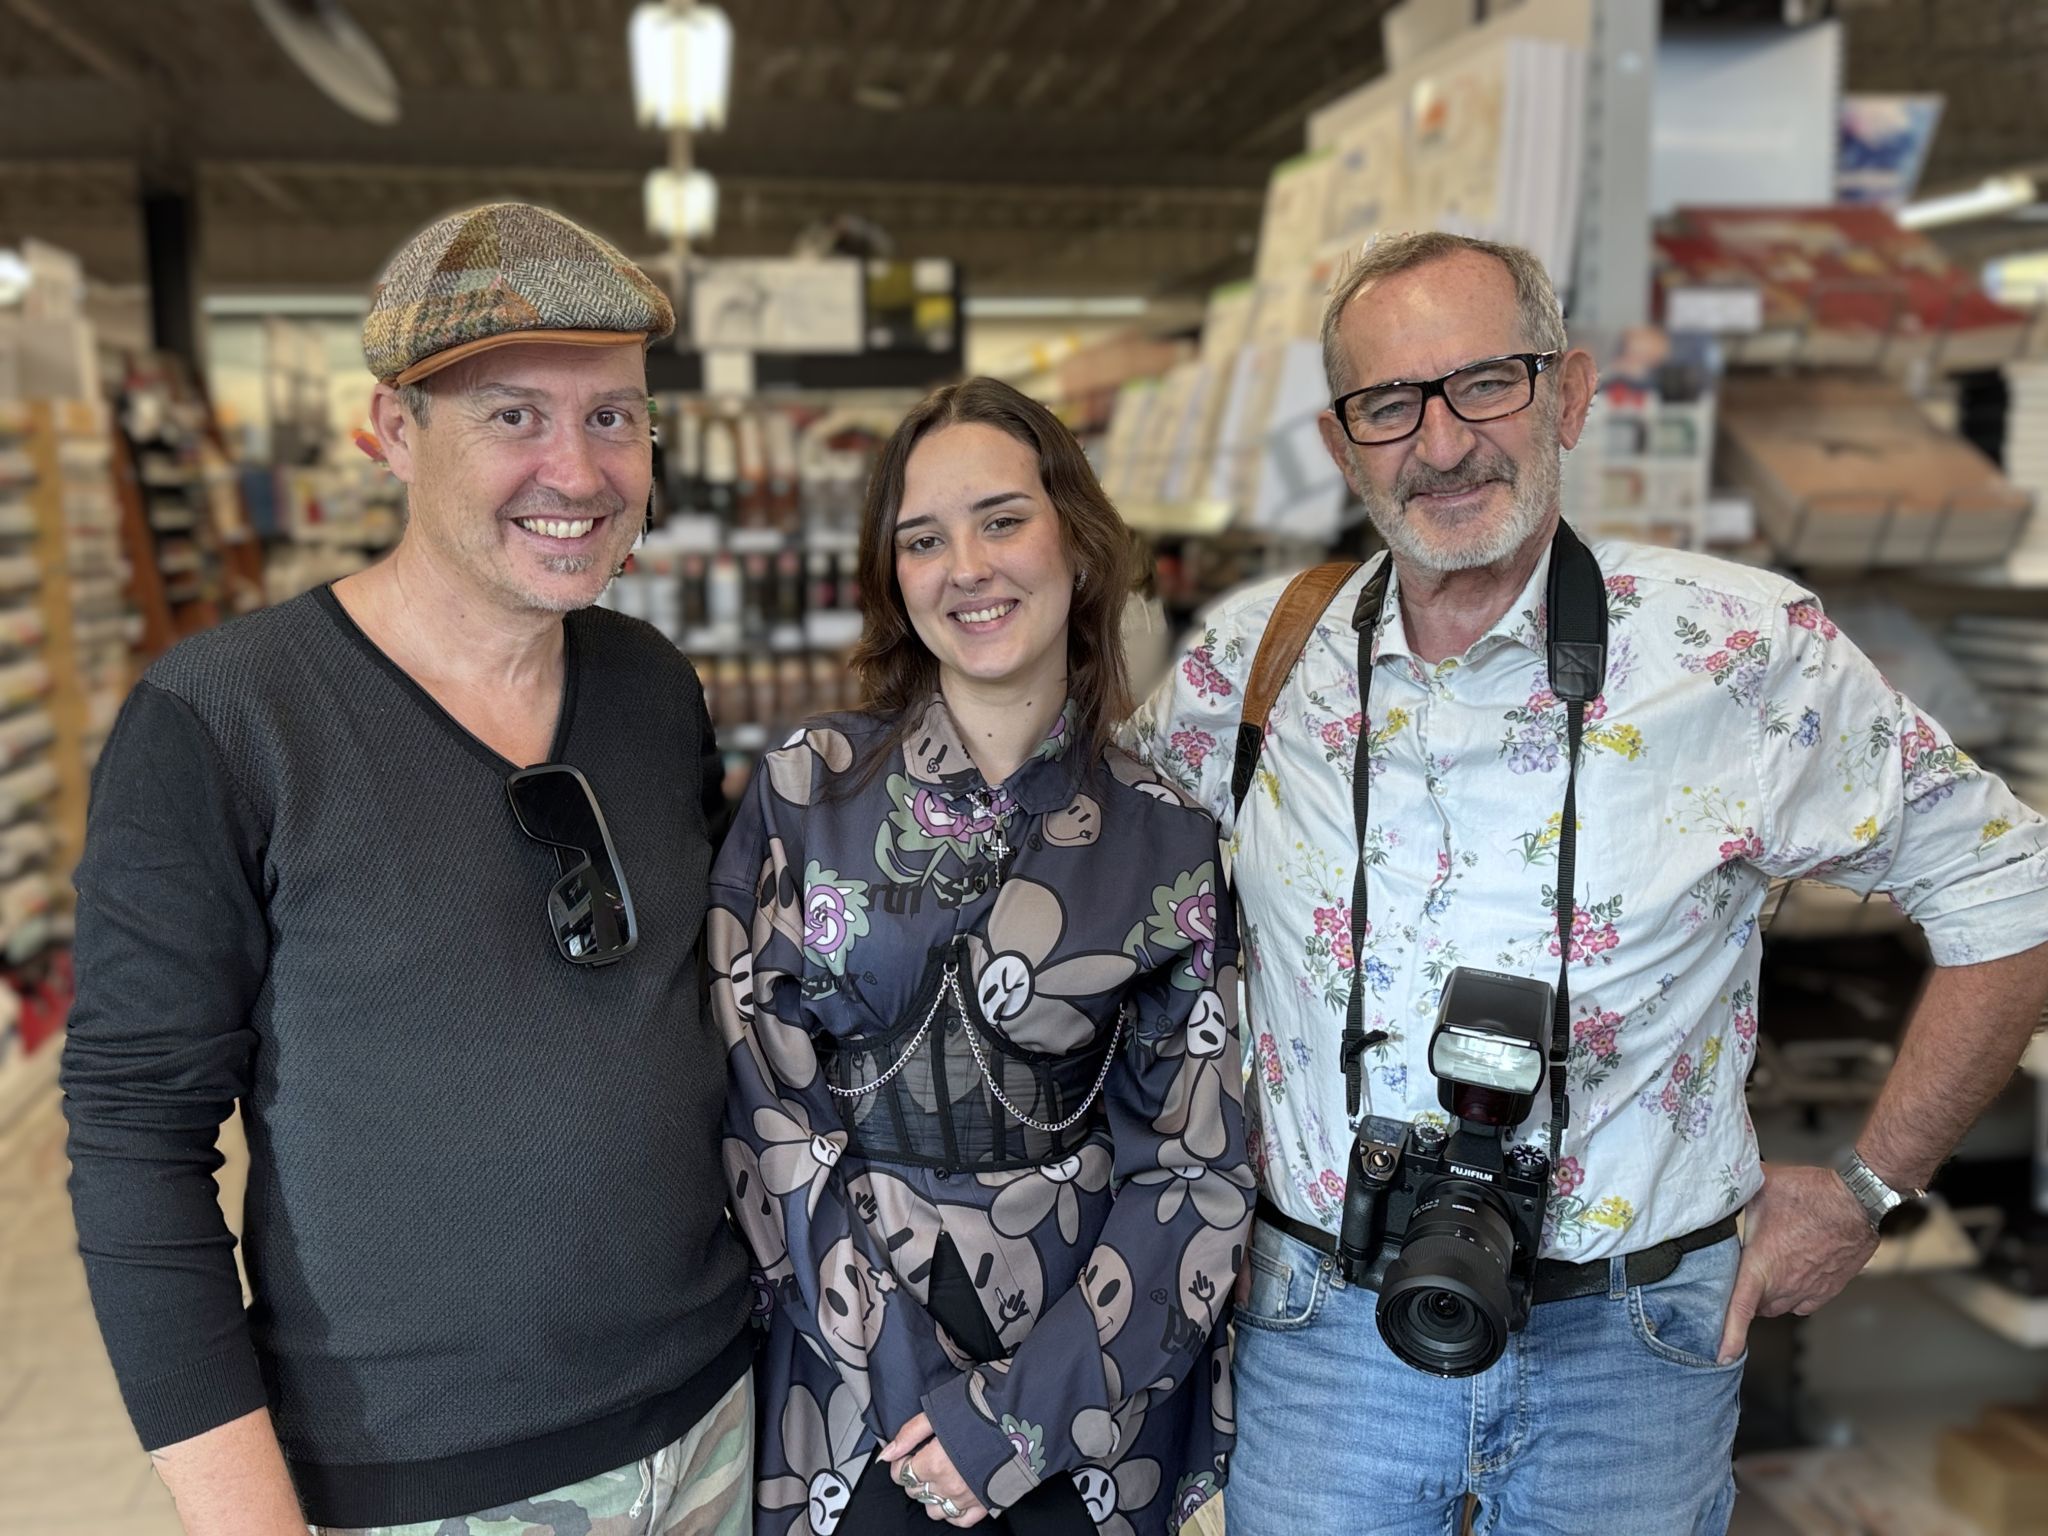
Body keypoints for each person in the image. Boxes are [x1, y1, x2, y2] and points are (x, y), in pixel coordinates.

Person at [1131, 230, 2048, 1535]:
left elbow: (2014, 890)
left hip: (1632, 1345)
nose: (1442, 444)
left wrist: (1865, 1188)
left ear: (1570, 391)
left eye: (1485, 383)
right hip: (1324, 1329)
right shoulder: (1258, 662)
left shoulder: (1740, 654)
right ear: (1342, 447)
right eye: (1390, 404)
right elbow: (1093, 883)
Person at [62, 203, 753, 1536]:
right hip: (422, 1483)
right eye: (512, 417)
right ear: (391, 430)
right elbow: (137, 1139)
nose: (579, 470)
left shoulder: (653, 688)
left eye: (614, 417)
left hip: (720, 1418)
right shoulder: (226, 720)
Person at [710, 376, 1250, 1535]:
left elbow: (1192, 1168)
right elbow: (766, 1109)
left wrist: (1014, 1420)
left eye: (1000, 519)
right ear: (890, 577)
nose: (966, 566)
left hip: (1090, 1401)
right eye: (922, 538)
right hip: (850, 1393)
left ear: (1077, 539)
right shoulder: (808, 791)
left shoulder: (1167, 833)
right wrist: (914, 1400)